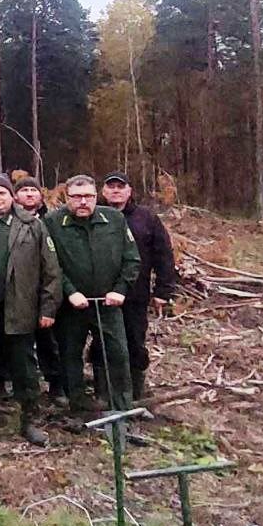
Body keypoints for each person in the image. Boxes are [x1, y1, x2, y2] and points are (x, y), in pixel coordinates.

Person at [0, 175, 61, 447]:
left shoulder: (33, 226)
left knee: (24, 365)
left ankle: (30, 417)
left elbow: (51, 271)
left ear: (11, 197)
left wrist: (48, 307)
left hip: (20, 308)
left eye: (2, 193)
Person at [43, 174, 141, 421]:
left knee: (118, 353)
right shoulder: (53, 222)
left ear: (96, 197)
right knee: (70, 356)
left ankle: (121, 407)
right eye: (76, 197)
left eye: (88, 196)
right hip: (72, 306)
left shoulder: (115, 220)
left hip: (109, 304)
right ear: (67, 198)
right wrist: (70, 291)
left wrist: (120, 289)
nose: (83, 202)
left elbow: (132, 260)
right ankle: (77, 408)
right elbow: (50, 265)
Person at [100, 171, 176, 403]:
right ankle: (104, 392)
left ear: (129, 191)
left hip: (136, 295)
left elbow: (164, 256)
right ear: (103, 192)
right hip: (101, 296)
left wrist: (163, 291)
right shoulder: (95, 216)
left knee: (135, 342)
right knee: (102, 344)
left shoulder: (146, 218)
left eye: (120, 187)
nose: (115, 191)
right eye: (110, 186)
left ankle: (133, 394)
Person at [14, 177, 65, 400]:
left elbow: (54, 262)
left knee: (49, 343)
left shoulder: (51, 221)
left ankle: (56, 383)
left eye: (33, 190)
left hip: (46, 291)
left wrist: (51, 299)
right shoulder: (9, 220)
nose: (29, 194)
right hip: (18, 295)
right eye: (23, 190)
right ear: (16, 196)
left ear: (40, 195)